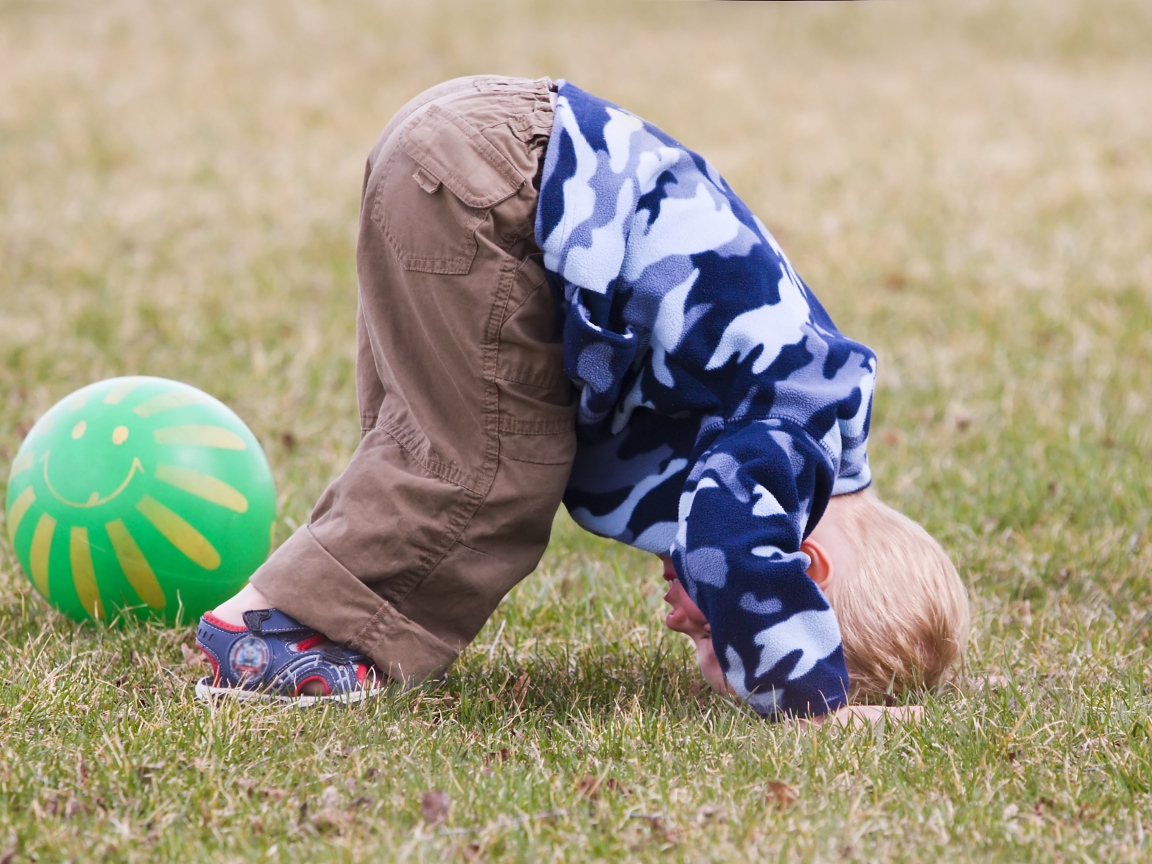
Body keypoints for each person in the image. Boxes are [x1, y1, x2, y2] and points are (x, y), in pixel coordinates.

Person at [194, 75, 970, 723]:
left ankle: (325, 623)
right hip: (503, 189)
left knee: (428, 440)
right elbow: (727, 537)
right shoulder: (792, 439)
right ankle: (265, 630)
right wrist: (812, 703)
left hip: (477, 150)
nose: (674, 623)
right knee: (493, 466)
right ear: (799, 568)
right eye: (713, 638)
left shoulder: (807, 410)